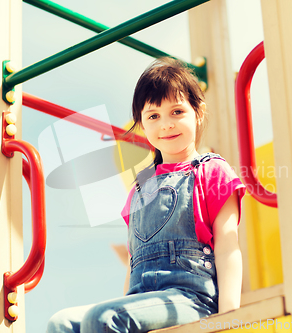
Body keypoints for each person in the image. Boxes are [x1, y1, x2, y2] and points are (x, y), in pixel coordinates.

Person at [46, 57, 246, 333]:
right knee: (62, 323)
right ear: (142, 123)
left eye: (177, 112)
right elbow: (133, 261)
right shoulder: (140, 188)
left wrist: (228, 318)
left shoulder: (212, 171)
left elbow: (227, 248)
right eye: (154, 116)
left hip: (192, 299)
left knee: (103, 318)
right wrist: (125, 302)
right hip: (142, 300)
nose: (166, 124)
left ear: (198, 112)